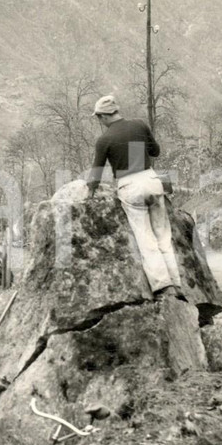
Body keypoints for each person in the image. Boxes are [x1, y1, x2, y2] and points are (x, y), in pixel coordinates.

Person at [87, 94, 183, 297]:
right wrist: (137, 149)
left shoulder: (105, 139)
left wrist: (89, 193)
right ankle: (176, 282)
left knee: (146, 238)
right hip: (151, 180)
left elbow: (95, 174)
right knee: (163, 236)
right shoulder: (139, 125)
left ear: (103, 117)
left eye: (98, 117)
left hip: (130, 186)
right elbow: (155, 152)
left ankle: (163, 285)